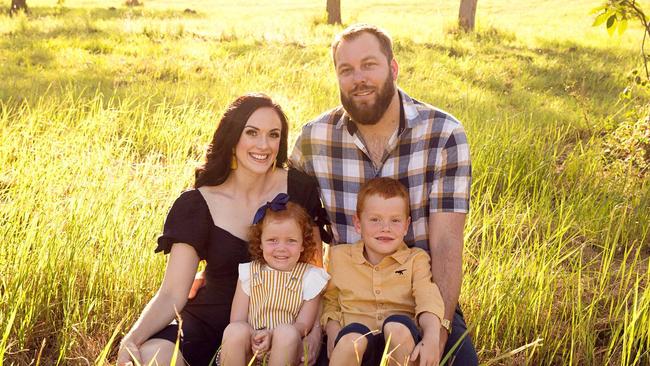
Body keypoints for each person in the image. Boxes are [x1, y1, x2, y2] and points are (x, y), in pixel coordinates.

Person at [290, 24, 478, 364]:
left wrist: (440, 332)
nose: (358, 78)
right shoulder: (313, 140)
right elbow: (296, 229)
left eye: (369, 65)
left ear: (393, 68)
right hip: (347, 301)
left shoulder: (443, 134)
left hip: (418, 298)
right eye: (346, 70)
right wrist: (318, 321)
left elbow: (448, 242)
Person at [116, 93, 329, 366]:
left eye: (273, 135)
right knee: (151, 357)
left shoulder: (299, 189)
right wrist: (131, 338)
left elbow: (316, 272)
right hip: (208, 324)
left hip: (280, 330)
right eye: (251, 133)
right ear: (232, 138)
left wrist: (314, 332)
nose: (263, 145)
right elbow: (172, 292)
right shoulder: (197, 204)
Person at [324, 178, 444, 366]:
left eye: (395, 220)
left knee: (397, 326)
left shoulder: (416, 259)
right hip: (356, 349)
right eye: (375, 219)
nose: (385, 228)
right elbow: (330, 301)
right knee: (351, 338)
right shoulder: (339, 257)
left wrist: (432, 336)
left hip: (400, 346)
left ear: (406, 225)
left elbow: (427, 299)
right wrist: (332, 330)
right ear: (358, 223)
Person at [218, 198, 329, 366]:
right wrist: (257, 337)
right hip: (253, 346)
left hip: (287, 350)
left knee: (286, 332)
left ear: (302, 245)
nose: (281, 248)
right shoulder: (249, 273)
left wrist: (272, 335)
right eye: (272, 240)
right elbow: (237, 319)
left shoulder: (310, 277)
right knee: (235, 330)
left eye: (291, 241)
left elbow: (303, 325)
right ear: (260, 243)